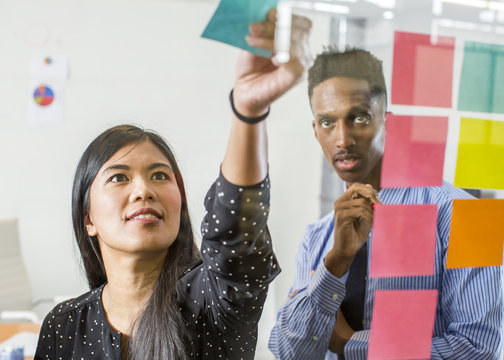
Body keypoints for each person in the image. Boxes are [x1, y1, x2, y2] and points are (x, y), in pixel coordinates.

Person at [34, 9, 312, 360]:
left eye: (160, 175)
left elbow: (235, 228)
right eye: (119, 177)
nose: (143, 190)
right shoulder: (64, 325)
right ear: (87, 217)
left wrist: (248, 111)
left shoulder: (213, 300)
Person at [269, 48, 504, 359]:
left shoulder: (465, 215)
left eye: (359, 117)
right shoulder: (318, 237)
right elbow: (288, 351)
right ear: (316, 131)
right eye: (328, 122)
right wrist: (336, 261)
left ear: (387, 121)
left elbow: (479, 351)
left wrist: (350, 344)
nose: (342, 139)